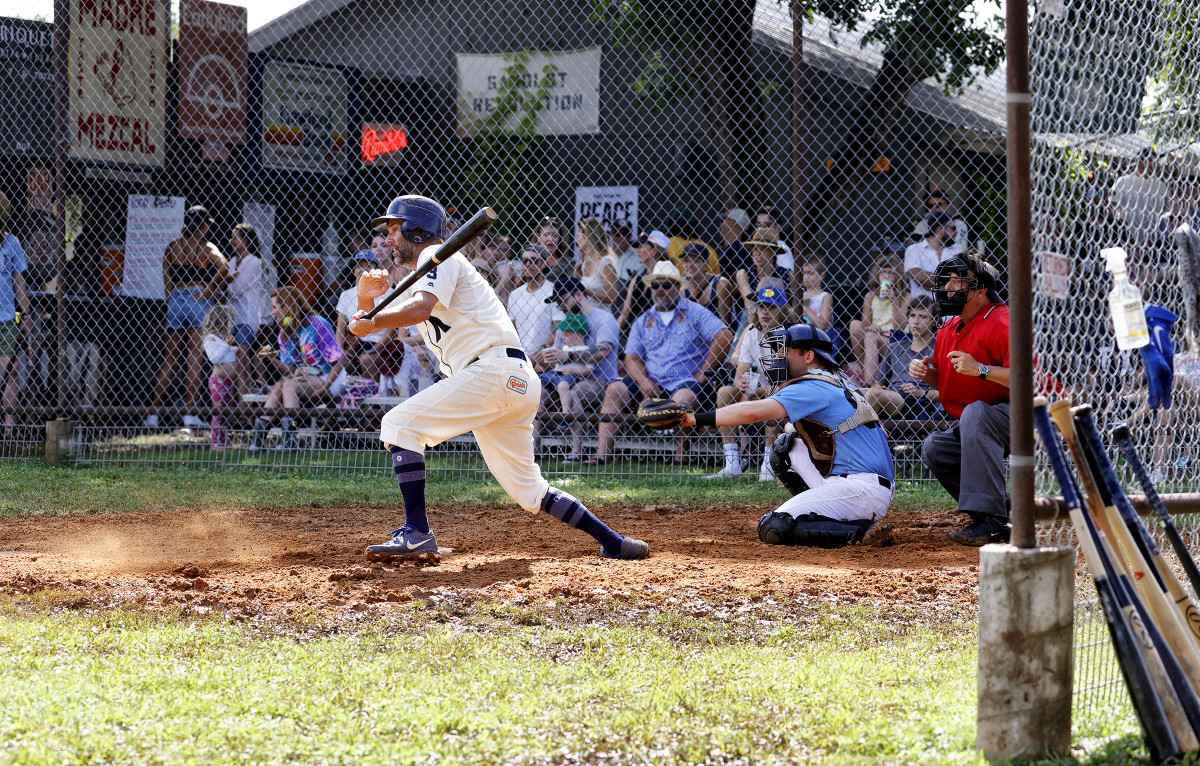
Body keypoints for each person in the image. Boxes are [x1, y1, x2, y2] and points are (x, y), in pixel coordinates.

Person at [348, 194, 648, 561]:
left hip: (490, 372)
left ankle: (417, 532)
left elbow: (417, 311)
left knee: (398, 424)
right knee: (529, 490)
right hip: (510, 380)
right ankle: (613, 541)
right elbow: (367, 326)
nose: (390, 239)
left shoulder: (435, 256)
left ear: (416, 229)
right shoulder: (423, 276)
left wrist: (373, 317)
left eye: (395, 229)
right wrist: (366, 303)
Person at [680, 324, 895, 548]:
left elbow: (754, 413)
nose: (778, 358)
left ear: (809, 356)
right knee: (787, 448)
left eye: (786, 351)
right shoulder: (842, 383)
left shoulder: (811, 385)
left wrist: (692, 418)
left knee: (773, 526)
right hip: (871, 486)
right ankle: (832, 513)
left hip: (860, 490)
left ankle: (860, 533)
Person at [908, 253, 1011, 546]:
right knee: (936, 448)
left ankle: (991, 520)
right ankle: (1000, 509)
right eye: (947, 280)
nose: (949, 287)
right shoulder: (948, 328)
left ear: (980, 290)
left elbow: (1028, 380)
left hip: (1029, 415)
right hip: (983, 418)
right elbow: (948, 380)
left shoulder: (1003, 322)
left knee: (976, 413)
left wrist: (980, 369)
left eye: (958, 280)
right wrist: (927, 374)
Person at [588, 260, 733, 465]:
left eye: (666, 285)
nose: (660, 290)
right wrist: (643, 381)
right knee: (615, 389)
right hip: (652, 383)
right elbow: (632, 357)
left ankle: (681, 456)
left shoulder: (695, 312)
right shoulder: (643, 319)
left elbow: (724, 336)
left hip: (686, 382)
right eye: (656, 286)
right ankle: (602, 455)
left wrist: (703, 373)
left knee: (683, 397)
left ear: (677, 287)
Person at [146, 206, 229, 430]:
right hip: (197, 299)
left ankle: (153, 414)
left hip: (175, 300)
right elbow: (225, 267)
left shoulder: (172, 247)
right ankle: (190, 414)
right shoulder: (207, 247)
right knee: (194, 357)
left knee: (171, 358)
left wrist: (173, 299)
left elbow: (167, 281)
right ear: (203, 226)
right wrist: (209, 290)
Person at [705, 284, 790, 480]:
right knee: (725, 392)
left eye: (771, 307)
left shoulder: (789, 334)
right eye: (761, 306)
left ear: (782, 310)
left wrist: (755, 393)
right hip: (762, 391)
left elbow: (782, 384)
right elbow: (739, 375)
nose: (764, 312)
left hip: (787, 395)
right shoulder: (752, 333)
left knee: (772, 395)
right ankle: (732, 464)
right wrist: (742, 385)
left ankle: (768, 465)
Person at [533, 276, 621, 461]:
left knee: (574, 390)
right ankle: (533, 451)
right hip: (564, 377)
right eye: (558, 303)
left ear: (579, 294)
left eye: (563, 300)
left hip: (597, 378)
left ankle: (576, 451)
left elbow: (604, 350)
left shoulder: (604, 318)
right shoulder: (565, 324)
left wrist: (571, 356)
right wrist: (546, 358)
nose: (561, 306)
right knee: (538, 393)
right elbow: (558, 358)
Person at [252, 285, 348, 451]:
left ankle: (290, 442)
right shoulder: (284, 332)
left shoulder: (318, 324)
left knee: (288, 385)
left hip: (331, 378)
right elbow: (290, 371)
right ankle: (258, 440)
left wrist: (323, 389)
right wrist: (272, 359)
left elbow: (340, 361)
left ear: (287, 306)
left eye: (275, 307)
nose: (273, 312)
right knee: (280, 385)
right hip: (307, 380)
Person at [866, 296, 943, 420]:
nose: (915, 321)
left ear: (934, 321)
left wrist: (920, 393)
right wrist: (879, 388)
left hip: (920, 403)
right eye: (912, 315)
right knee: (857, 393)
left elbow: (949, 393)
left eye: (922, 316)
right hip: (893, 397)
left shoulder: (939, 349)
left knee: (874, 395)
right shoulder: (895, 348)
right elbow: (878, 384)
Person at [214, 222, 263, 396]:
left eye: (236, 237)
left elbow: (234, 290)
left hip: (247, 318)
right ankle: (235, 402)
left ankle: (245, 403)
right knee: (231, 357)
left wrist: (224, 281)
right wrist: (226, 281)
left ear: (246, 241)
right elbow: (223, 290)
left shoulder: (254, 262)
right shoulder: (233, 261)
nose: (231, 240)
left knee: (242, 354)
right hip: (232, 319)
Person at [849, 253, 908, 384]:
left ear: (898, 276)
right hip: (874, 336)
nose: (886, 276)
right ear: (877, 275)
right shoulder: (870, 296)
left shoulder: (905, 296)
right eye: (882, 272)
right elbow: (865, 324)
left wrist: (894, 301)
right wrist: (871, 327)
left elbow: (900, 327)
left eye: (891, 273)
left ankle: (869, 383)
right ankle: (866, 371)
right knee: (855, 325)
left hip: (894, 341)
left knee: (871, 337)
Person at [0, 192, 31, 435]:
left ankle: (9, 424)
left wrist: (26, 313)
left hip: (7, 317)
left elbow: (19, 281)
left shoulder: (12, 243)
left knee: (9, 368)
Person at [335, 249, 389, 381]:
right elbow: (340, 329)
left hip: (380, 344)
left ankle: (372, 395)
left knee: (366, 359)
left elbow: (393, 329)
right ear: (354, 270)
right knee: (339, 360)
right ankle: (349, 394)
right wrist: (341, 349)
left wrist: (376, 349)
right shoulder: (346, 295)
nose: (363, 270)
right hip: (357, 344)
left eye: (369, 266)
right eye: (359, 266)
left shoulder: (387, 293)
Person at [506, 243, 557, 354]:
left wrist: (539, 353)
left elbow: (558, 331)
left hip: (544, 356)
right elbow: (512, 331)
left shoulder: (553, 291)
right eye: (524, 260)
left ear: (544, 264)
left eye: (534, 260)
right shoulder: (515, 295)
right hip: (521, 356)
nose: (528, 264)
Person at [202, 305, 239, 451]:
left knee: (225, 412)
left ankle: (223, 441)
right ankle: (215, 443)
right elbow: (214, 358)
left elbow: (225, 354)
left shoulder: (220, 340)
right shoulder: (210, 339)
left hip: (228, 381)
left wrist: (232, 349)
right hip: (218, 381)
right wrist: (227, 345)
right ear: (222, 322)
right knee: (218, 411)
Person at [618, 230, 671, 333]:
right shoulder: (636, 280)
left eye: (641, 247)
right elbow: (624, 314)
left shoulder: (667, 281)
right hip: (630, 335)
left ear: (654, 251)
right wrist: (613, 334)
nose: (637, 251)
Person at [904, 210, 963, 300]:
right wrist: (950, 278)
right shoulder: (913, 249)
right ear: (940, 229)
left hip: (950, 309)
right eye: (953, 228)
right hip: (921, 309)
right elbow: (920, 279)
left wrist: (933, 279)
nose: (956, 232)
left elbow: (962, 279)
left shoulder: (958, 250)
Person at [735, 226, 790, 322]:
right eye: (755, 249)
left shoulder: (787, 274)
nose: (758, 253)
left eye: (764, 249)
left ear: (773, 252)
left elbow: (793, 303)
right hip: (753, 315)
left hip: (780, 316)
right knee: (746, 312)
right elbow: (749, 301)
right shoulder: (744, 274)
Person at [680, 242, 735, 329]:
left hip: (718, 336)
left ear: (705, 265)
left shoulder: (720, 284)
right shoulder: (680, 286)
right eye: (686, 260)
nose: (689, 265)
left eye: (695, 261)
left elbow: (725, 326)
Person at [575, 217, 621, 311]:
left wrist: (585, 290)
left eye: (579, 236)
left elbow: (612, 297)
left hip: (601, 318)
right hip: (585, 317)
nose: (577, 240)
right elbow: (576, 290)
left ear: (588, 237)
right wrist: (577, 270)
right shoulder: (584, 262)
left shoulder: (605, 262)